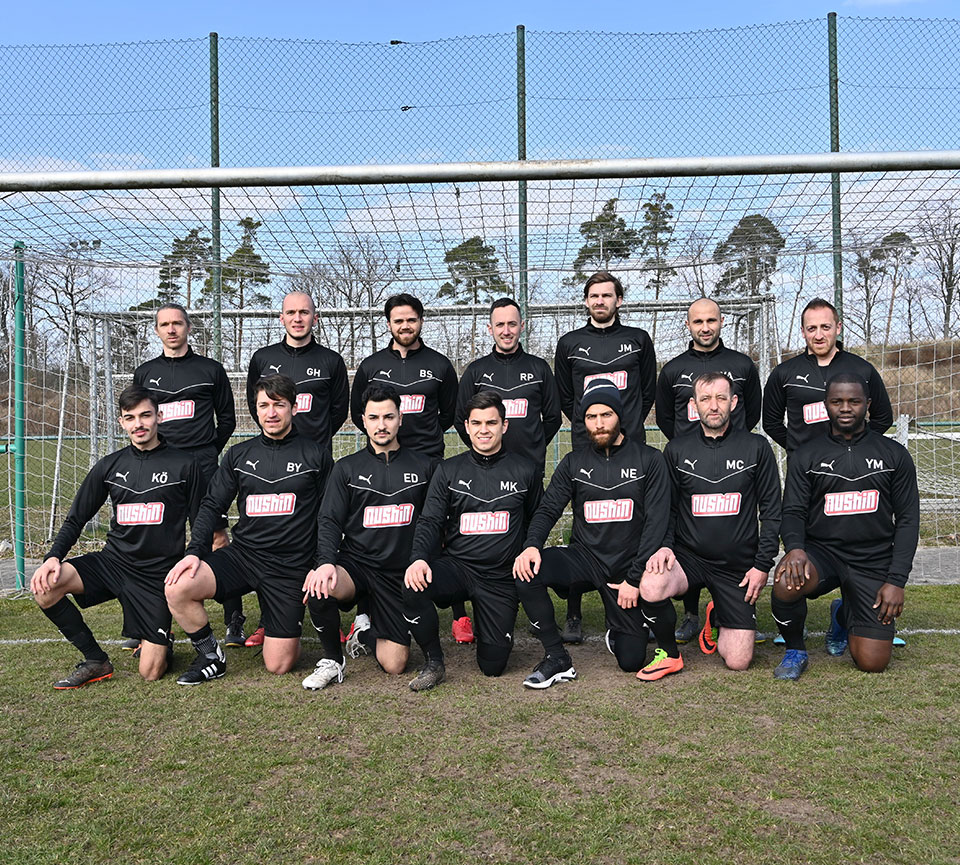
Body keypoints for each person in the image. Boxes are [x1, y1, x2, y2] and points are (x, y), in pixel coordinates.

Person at [164, 375, 332, 685]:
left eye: (279, 405)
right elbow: (212, 505)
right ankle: (211, 656)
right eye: (263, 405)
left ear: (293, 408)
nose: (271, 413)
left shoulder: (316, 455)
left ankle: (277, 618)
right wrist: (194, 553)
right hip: (244, 557)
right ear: (255, 410)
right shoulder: (239, 455)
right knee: (178, 588)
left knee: (279, 664)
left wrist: (321, 563)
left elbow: (329, 516)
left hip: (290, 566)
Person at [31, 385, 203, 687]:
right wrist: (52, 557)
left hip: (156, 575)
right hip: (113, 563)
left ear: (159, 416)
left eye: (145, 415)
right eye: (130, 417)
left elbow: (202, 520)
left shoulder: (185, 465)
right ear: (122, 422)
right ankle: (96, 660)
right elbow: (76, 518)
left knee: (151, 671)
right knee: (46, 587)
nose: (139, 424)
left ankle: (163, 640)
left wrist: (194, 556)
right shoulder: (109, 466)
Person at [512, 380, 670, 688]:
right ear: (583, 421)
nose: (598, 424)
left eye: (606, 415)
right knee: (526, 572)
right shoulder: (574, 462)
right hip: (584, 558)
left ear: (619, 416)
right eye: (590, 417)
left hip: (627, 567)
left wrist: (634, 579)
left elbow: (656, 523)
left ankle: (619, 630)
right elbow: (547, 509)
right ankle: (557, 658)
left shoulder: (650, 460)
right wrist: (532, 545)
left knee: (631, 661)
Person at [770, 373, 919, 680]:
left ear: (868, 404)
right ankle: (795, 650)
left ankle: (843, 612)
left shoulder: (894, 455)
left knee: (872, 662)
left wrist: (896, 580)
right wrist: (795, 549)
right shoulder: (807, 454)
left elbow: (907, 520)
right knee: (786, 579)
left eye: (854, 401)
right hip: (822, 553)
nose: (845, 408)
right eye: (837, 401)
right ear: (826, 404)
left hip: (872, 559)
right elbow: (793, 510)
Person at [640, 372, 781, 677]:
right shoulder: (677, 450)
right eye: (705, 399)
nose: (713, 406)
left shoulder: (757, 448)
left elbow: (771, 512)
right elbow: (669, 509)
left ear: (734, 401)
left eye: (720, 398)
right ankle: (669, 653)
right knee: (651, 585)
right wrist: (664, 546)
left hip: (737, 566)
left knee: (738, 660)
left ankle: (716, 613)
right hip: (689, 558)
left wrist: (762, 565)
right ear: (694, 405)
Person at [351, 293, 472, 643]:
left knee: (442, 531)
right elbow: (362, 415)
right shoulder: (372, 366)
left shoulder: (439, 365)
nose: (405, 326)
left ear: (421, 321)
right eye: (398, 320)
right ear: (388, 323)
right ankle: (364, 613)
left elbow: (450, 414)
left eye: (411, 320)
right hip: (384, 462)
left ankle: (459, 614)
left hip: (429, 462)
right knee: (374, 532)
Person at [402, 392, 542, 691]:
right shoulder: (448, 470)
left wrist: (531, 547)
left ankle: (489, 621)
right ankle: (434, 663)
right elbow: (430, 521)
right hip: (458, 568)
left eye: (491, 422)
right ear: (466, 426)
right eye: (476, 423)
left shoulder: (526, 469)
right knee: (412, 584)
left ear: (504, 425)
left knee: (493, 667)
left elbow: (536, 521)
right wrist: (419, 558)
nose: (484, 429)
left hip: (501, 576)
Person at [299, 384, 436, 690]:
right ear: (363, 420)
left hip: (397, 574)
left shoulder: (425, 466)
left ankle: (364, 633)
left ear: (400, 418)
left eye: (388, 416)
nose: (381, 424)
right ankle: (333, 661)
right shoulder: (346, 468)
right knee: (322, 585)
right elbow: (329, 520)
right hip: (357, 565)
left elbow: (433, 521)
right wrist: (324, 563)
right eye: (374, 417)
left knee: (396, 664)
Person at [553, 271, 656, 644]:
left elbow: (647, 392)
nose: (600, 301)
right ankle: (575, 611)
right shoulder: (569, 343)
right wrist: (592, 426)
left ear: (619, 300)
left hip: (630, 445)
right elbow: (567, 397)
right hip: (587, 445)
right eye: (593, 296)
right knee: (587, 522)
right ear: (586, 301)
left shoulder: (638, 340)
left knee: (634, 519)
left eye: (607, 295)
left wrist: (624, 426)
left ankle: (639, 598)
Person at [132, 303, 244, 646]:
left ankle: (233, 619)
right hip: (161, 469)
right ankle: (151, 623)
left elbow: (227, 419)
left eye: (177, 323)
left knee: (217, 539)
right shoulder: (145, 372)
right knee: (157, 543)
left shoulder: (210, 369)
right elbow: (140, 416)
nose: (171, 329)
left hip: (203, 468)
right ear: (156, 330)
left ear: (188, 327)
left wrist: (207, 450)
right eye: (164, 324)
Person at [244, 290, 349, 647]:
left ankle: (325, 613)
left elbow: (337, 411)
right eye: (291, 312)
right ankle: (268, 617)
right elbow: (255, 402)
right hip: (271, 462)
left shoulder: (331, 361)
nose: (298, 318)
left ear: (315, 318)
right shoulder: (263, 358)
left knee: (317, 535)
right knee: (270, 538)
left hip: (314, 465)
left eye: (305, 312)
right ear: (281, 318)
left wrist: (312, 445)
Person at [655, 297, 763, 643]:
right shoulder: (672, 369)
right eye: (698, 321)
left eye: (711, 321)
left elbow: (754, 412)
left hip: (734, 459)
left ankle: (728, 605)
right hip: (691, 461)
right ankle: (690, 612)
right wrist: (689, 448)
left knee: (729, 530)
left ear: (721, 323)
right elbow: (665, 419)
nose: (705, 327)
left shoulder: (742, 365)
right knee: (690, 531)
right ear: (688, 325)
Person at [762, 298, 893, 456]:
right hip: (804, 471)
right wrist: (798, 450)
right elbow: (771, 423)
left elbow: (883, 418)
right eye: (812, 329)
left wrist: (858, 446)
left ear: (838, 328)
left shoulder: (862, 369)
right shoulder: (783, 373)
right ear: (803, 331)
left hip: (851, 467)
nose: (819, 335)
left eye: (825, 327)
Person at [455, 297, 562, 477]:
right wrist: (483, 446)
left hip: (530, 468)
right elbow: (460, 419)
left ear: (522, 326)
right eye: (500, 325)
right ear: (490, 329)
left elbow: (553, 418)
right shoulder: (475, 371)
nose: (506, 331)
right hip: (487, 470)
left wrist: (534, 444)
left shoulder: (539, 368)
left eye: (512, 324)